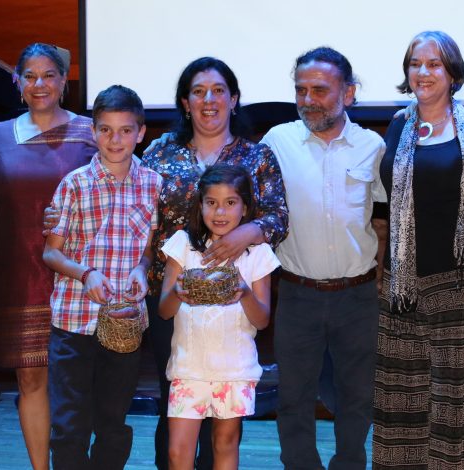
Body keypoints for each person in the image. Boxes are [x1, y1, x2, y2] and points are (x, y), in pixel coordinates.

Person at [141, 56, 288, 470]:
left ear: (234, 99)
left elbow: (279, 217)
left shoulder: (257, 156)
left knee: (223, 417)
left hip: (233, 306)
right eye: (199, 92)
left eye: (219, 91)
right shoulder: (158, 151)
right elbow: (137, 209)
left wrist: (246, 233)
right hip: (170, 294)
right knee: (177, 400)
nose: (209, 100)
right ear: (185, 102)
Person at [260, 46, 386, 470]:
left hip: (359, 296)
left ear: (348, 93)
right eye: (301, 90)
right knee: (294, 397)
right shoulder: (276, 141)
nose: (308, 99)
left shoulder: (374, 146)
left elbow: (385, 217)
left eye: (320, 89)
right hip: (298, 293)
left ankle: (350, 463)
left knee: (358, 397)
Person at [371, 31, 464, 468]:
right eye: (415, 64)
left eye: (434, 64)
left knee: (455, 410)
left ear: (454, 72)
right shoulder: (398, 126)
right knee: (401, 410)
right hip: (403, 291)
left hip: (459, 291)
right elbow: (386, 206)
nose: (423, 72)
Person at [0, 42, 95, 470]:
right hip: (17, 272)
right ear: (17, 83)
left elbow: (119, 192)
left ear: (64, 81)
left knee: (78, 381)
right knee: (29, 378)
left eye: (49, 75)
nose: (39, 84)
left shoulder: (90, 132)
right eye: (29, 76)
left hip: (78, 275)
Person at [41, 85, 162, 469]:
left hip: (124, 324)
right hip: (74, 323)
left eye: (125, 130)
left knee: (113, 423)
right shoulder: (74, 184)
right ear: (93, 132)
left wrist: (143, 270)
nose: (115, 139)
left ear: (141, 133)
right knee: (69, 425)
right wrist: (86, 272)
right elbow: (50, 252)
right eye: (106, 129)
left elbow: (148, 249)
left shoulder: (153, 184)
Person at [157, 164, 281, 470]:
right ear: (200, 206)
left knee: (224, 444)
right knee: (177, 452)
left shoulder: (258, 254)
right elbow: (164, 309)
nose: (220, 211)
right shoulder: (183, 246)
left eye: (230, 202)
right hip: (189, 366)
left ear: (245, 208)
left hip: (234, 368)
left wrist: (244, 292)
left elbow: (262, 319)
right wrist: (178, 293)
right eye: (211, 202)